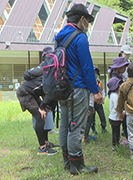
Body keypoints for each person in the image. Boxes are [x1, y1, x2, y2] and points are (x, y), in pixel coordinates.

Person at [56, 4, 102, 175]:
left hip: (62, 88)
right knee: (76, 128)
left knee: (65, 126)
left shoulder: (59, 37)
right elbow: (87, 67)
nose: (88, 24)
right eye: (88, 21)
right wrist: (95, 91)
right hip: (78, 89)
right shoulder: (80, 37)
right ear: (82, 19)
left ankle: (67, 161)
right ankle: (78, 166)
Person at [17, 62, 59, 156]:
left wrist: (44, 107)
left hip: (32, 94)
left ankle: (46, 143)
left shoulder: (51, 78)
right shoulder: (51, 80)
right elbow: (48, 95)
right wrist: (41, 108)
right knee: (39, 116)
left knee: (45, 114)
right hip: (25, 93)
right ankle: (42, 148)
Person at [107, 77, 128, 151]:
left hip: (114, 118)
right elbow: (118, 107)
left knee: (116, 132)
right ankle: (114, 146)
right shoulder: (115, 96)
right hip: (115, 118)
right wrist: (124, 113)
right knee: (115, 133)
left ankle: (117, 143)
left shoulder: (114, 94)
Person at [90, 67, 107, 134]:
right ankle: (93, 130)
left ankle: (103, 128)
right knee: (92, 118)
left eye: (96, 73)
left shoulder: (99, 82)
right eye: (94, 73)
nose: (95, 74)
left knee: (102, 116)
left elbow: (102, 90)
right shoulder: (90, 83)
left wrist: (103, 98)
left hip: (99, 103)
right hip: (93, 103)